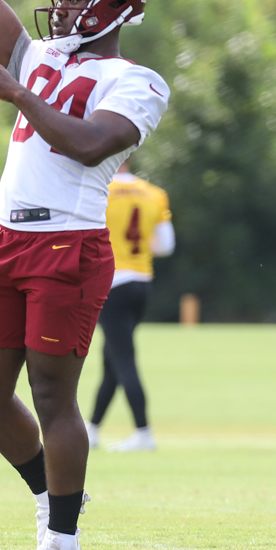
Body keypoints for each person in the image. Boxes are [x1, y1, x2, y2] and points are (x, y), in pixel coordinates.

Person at [0, 0, 170, 550]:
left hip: (68, 243)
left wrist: (20, 93)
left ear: (114, 5)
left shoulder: (138, 81)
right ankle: (53, 501)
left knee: (53, 394)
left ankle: (64, 542)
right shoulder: (46, 57)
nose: (63, 8)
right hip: (4, 239)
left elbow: (87, 143)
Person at [86, 158, 174, 452]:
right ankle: (92, 429)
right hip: (141, 281)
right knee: (112, 358)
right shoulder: (154, 193)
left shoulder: (101, 191)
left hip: (112, 282)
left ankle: (143, 432)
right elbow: (165, 245)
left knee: (123, 359)